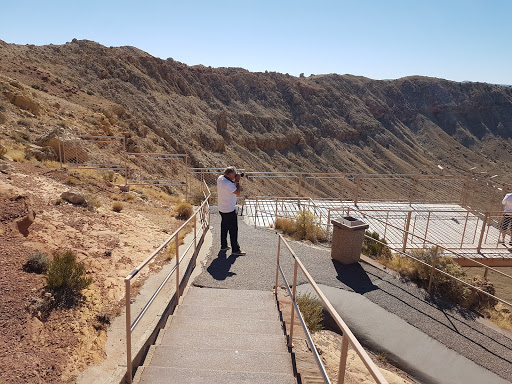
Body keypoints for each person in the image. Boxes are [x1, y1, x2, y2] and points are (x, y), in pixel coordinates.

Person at [217, 167, 246, 255]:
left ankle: (224, 245)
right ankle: (235, 250)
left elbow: (229, 181)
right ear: (229, 175)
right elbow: (237, 192)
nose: (236, 175)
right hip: (229, 210)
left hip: (222, 208)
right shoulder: (227, 184)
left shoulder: (220, 178)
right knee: (233, 230)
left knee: (224, 228)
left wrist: (234, 178)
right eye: (234, 174)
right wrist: (237, 181)